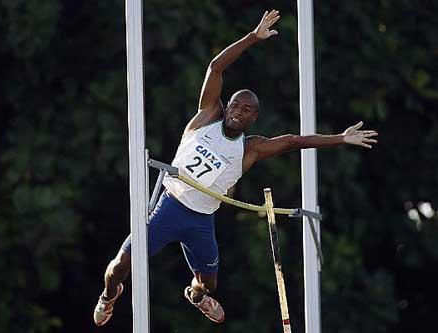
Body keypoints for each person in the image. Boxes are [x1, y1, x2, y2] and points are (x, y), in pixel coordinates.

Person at [93, 9, 378, 326]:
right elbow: (215, 67)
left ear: (253, 117)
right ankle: (109, 295)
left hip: (201, 220)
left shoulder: (250, 147)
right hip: (169, 206)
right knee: (121, 264)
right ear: (226, 106)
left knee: (209, 283)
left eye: (247, 110)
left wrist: (340, 138)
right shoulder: (204, 118)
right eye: (236, 106)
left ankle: (197, 296)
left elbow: (294, 141)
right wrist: (254, 37)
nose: (239, 112)